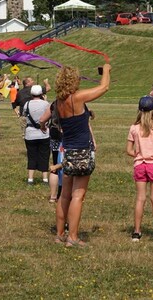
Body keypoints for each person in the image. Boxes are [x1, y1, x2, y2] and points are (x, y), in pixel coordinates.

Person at [50, 63, 111, 247]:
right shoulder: (76, 98)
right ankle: (73, 237)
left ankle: (60, 234)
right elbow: (104, 87)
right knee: (78, 196)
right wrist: (106, 70)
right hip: (82, 152)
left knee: (65, 195)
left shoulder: (59, 102)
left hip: (67, 152)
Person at [127, 96, 153, 242]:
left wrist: (138, 154)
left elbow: (128, 150)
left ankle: (136, 232)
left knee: (140, 198)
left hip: (140, 164)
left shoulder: (134, 127)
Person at [22, 85, 51, 184]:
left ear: (31, 94)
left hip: (30, 133)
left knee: (31, 155)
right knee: (44, 155)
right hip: (44, 133)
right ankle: (45, 178)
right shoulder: (46, 104)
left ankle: (30, 178)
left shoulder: (27, 104)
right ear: (41, 94)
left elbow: (24, 115)